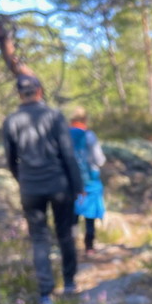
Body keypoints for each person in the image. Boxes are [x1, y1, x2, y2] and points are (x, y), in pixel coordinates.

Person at [2, 74, 83, 304]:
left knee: (39, 238)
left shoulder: (10, 121)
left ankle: (45, 294)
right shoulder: (55, 116)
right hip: (59, 185)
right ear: (39, 91)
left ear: (19, 94)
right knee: (65, 233)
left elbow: (10, 160)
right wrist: (77, 186)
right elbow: (68, 154)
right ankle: (69, 283)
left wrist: (22, 180)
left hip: (30, 188)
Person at [68, 108, 106, 254]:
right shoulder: (89, 136)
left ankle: (71, 245)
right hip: (90, 182)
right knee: (90, 215)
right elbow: (99, 160)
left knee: (73, 215)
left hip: (71, 182)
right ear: (85, 119)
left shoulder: (64, 135)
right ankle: (89, 246)